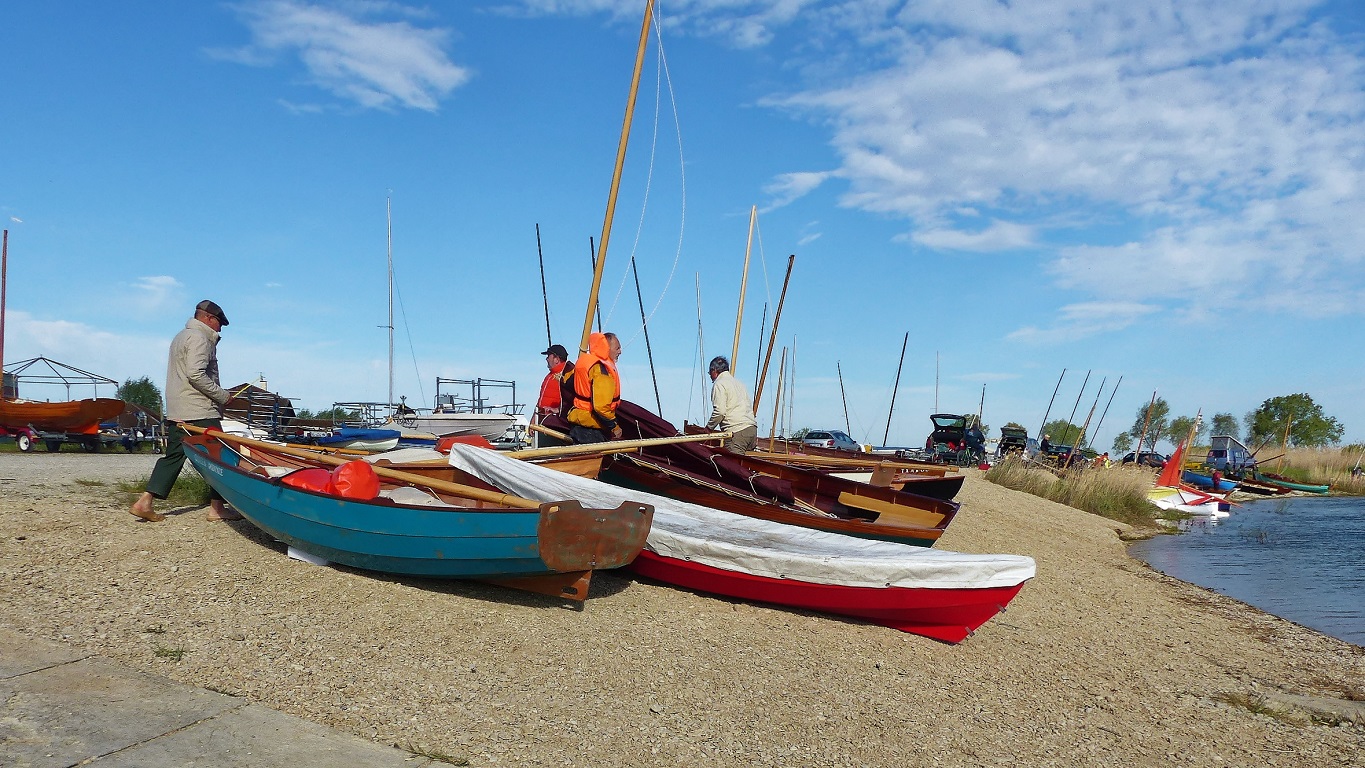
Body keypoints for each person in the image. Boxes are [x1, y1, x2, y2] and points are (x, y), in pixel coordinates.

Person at [129, 300, 242, 523]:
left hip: (179, 410)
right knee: (221, 457)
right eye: (219, 323)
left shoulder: (181, 337)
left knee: (173, 457)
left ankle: (144, 502)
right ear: (209, 318)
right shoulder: (201, 338)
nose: (220, 328)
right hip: (199, 411)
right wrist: (223, 396)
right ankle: (217, 509)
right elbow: (196, 374)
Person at [566, 332, 623, 444]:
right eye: (617, 348)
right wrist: (614, 426)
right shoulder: (601, 370)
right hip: (591, 426)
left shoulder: (584, 362)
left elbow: (567, 381)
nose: (620, 351)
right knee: (591, 455)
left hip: (578, 423)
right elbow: (601, 407)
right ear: (607, 348)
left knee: (580, 453)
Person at [706, 356, 758, 453]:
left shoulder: (719, 384)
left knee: (732, 461)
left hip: (737, 431)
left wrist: (709, 428)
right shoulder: (739, 384)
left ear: (714, 370)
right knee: (741, 461)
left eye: (709, 373)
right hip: (751, 429)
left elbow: (720, 412)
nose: (710, 376)